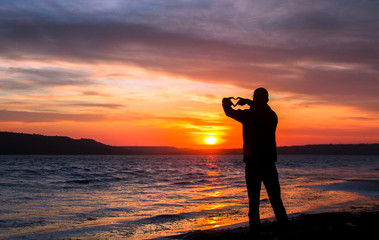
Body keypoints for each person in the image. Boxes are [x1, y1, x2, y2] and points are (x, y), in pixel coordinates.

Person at [222, 88, 288, 237]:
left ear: (255, 99)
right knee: (276, 200)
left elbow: (229, 112)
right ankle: (285, 230)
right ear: (267, 100)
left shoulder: (249, 115)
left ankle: (255, 233)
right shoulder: (272, 115)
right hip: (269, 163)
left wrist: (225, 102)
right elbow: (261, 109)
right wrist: (250, 102)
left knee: (254, 202)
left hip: (253, 164)